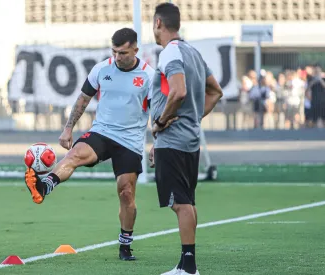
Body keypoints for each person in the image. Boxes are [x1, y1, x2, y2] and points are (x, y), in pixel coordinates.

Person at [24, 28, 168, 261]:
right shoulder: (102, 69)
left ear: (135, 50)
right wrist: (68, 127)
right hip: (101, 132)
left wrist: (157, 144)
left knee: (126, 192)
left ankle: (125, 244)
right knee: (74, 155)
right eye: (114, 51)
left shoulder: (149, 76)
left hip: (130, 142)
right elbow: (83, 99)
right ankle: (44, 186)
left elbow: (158, 112)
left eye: (122, 52)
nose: (117, 57)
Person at [149, 3, 223, 275]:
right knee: (186, 202)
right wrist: (194, 117)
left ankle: (189, 268)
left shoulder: (170, 53)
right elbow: (215, 91)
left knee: (180, 203)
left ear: (158, 23)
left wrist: (159, 123)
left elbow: (178, 92)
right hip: (188, 140)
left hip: (174, 140)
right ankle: (185, 264)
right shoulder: (193, 52)